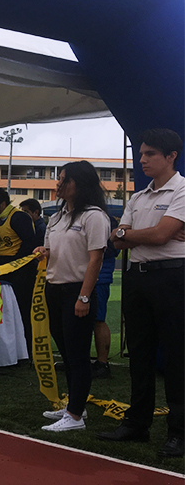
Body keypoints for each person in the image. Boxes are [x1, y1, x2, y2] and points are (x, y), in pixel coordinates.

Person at [98, 128, 185, 458]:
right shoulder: (139, 195)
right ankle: (137, 423)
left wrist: (131, 233)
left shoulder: (182, 190)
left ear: (170, 156)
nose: (142, 159)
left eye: (150, 154)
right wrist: (130, 233)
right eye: (141, 153)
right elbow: (116, 239)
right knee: (140, 353)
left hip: (173, 278)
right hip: (138, 278)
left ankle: (178, 431)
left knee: (177, 356)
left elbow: (162, 236)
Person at [33, 161, 111, 433]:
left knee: (78, 355)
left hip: (78, 291)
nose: (59, 184)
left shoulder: (93, 216)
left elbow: (96, 258)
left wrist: (85, 297)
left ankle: (75, 416)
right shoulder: (56, 216)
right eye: (59, 179)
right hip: (54, 289)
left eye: (65, 180)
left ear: (81, 183)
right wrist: (44, 252)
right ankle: (74, 406)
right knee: (66, 353)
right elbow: (54, 251)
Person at [0, 187, 38, 356]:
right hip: (5, 271)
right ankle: (11, 349)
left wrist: (14, 264)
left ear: (2, 204)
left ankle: (27, 351)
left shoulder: (18, 217)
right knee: (7, 312)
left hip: (20, 274)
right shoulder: (0, 220)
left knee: (22, 311)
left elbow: (29, 244)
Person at [91, 214, 119, 379]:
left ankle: (102, 364)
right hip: (82, 273)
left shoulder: (103, 218)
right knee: (81, 318)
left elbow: (111, 248)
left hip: (99, 274)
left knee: (98, 318)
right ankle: (78, 360)